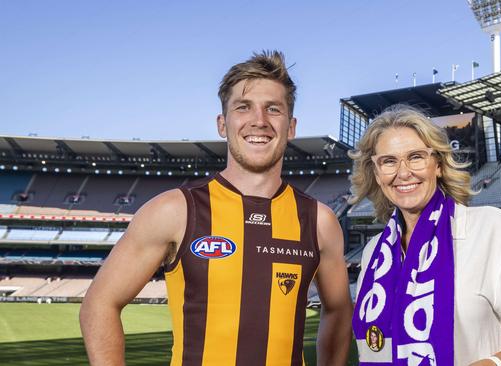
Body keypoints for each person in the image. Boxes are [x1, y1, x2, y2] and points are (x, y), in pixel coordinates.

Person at [79, 50, 352, 366]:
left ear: (291, 127)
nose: (259, 121)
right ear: (223, 124)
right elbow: (99, 304)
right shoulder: (175, 210)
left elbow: (338, 309)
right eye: (243, 107)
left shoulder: (320, 220)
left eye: (273, 109)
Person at [349, 105, 501, 366]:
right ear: (377, 174)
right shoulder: (374, 253)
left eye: (416, 157)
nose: (403, 173)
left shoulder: (489, 228)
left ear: (437, 164)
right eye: (389, 161)